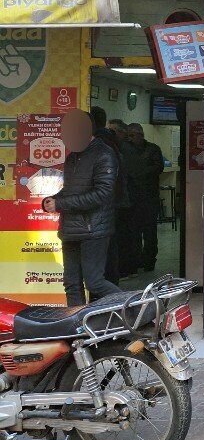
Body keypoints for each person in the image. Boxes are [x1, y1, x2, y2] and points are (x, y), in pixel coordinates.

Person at [43, 109, 121, 306]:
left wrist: (60, 204)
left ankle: (137, 307)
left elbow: (102, 194)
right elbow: (70, 190)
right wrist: (53, 199)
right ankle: (77, 329)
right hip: (70, 229)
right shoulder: (72, 157)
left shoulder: (104, 154)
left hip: (94, 230)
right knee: (71, 284)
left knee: (95, 283)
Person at [90, 107, 129, 284]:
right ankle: (111, 282)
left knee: (104, 246)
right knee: (110, 244)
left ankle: (109, 287)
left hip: (104, 202)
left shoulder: (99, 144)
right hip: (114, 201)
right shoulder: (111, 143)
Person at [125, 123, 165, 272]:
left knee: (149, 232)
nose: (129, 139)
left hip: (149, 197)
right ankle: (136, 260)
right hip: (132, 198)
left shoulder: (153, 149)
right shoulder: (127, 150)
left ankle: (149, 260)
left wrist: (139, 171)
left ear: (140, 135)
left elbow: (158, 167)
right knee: (133, 232)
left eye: (131, 135)